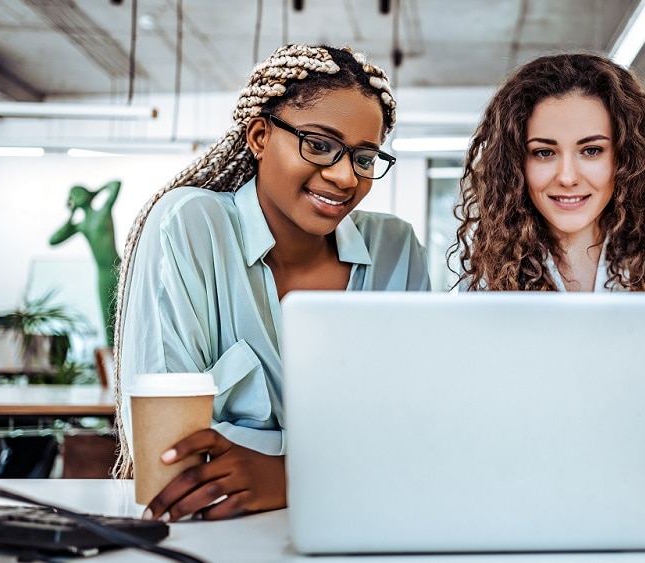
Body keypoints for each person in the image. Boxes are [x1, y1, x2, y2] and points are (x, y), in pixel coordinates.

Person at [113, 44, 431, 522]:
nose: (345, 176)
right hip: (216, 539)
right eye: (319, 144)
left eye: (364, 158)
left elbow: (420, 438)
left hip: (364, 528)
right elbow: (170, 463)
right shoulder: (189, 226)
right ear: (260, 136)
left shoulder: (395, 249)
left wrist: (287, 477)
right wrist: (341, 466)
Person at [449, 52, 645, 484]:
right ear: (516, 166)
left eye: (591, 150)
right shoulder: (487, 275)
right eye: (543, 152)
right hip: (530, 496)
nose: (566, 176)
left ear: (626, 158)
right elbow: (462, 422)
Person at [49, 180, 121, 346]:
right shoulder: (82, 225)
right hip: (102, 274)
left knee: (122, 313)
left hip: (117, 268)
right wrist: (71, 214)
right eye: (73, 195)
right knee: (108, 319)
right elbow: (53, 240)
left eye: (78, 192)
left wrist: (94, 192)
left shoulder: (103, 212)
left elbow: (116, 185)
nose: (76, 196)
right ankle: (112, 358)